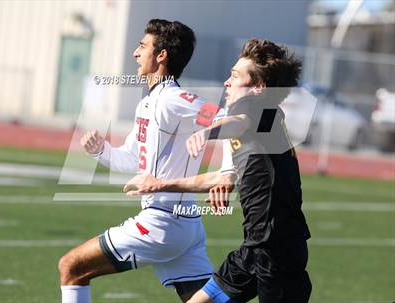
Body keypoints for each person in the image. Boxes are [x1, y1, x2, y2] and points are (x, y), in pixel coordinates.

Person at [124, 39, 312, 303]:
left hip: (277, 251)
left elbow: (237, 122)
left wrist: (208, 131)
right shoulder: (270, 115)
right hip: (255, 248)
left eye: (235, 76)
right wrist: (159, 184)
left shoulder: (257, 108)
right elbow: (216, 178)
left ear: (258, 87)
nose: (227, 82)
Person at [58, 19, 226, 303]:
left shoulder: (173, 98)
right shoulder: (149, 102)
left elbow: (228, 121)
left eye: (142, 46)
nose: (136, 53)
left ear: (161, 56)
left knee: (71, 267)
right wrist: (101, 150)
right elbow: (133, 160)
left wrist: (227, 172)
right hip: (183, 224)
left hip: (164, 223)